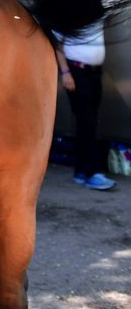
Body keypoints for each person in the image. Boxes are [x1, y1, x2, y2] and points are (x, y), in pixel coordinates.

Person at [54, 18, 116, 190]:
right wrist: (65, 73)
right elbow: (58, 47)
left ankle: (81, 171)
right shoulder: (70, 14)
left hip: (94, 73)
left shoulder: (96, 12)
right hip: (77, 72)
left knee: (88, 122)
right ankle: (92, 173)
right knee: (87, 121)